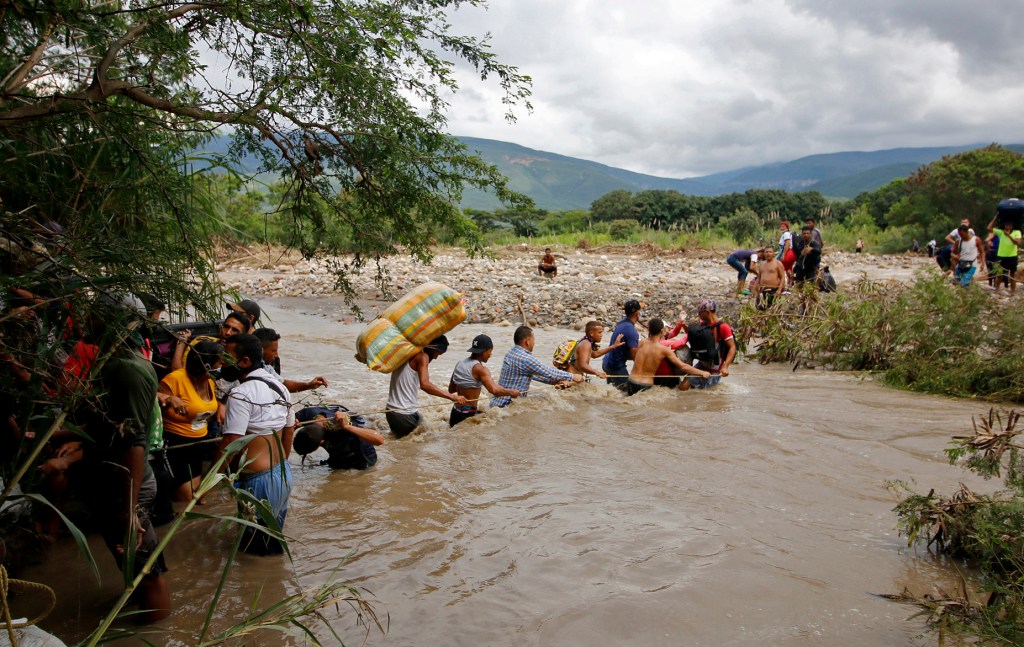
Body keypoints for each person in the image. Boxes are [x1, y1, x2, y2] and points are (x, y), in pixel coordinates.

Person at [217, 333, 294, 555]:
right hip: (282, 475)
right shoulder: (280, 388)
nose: (222, 362)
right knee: (271, 545)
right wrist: (281, 465)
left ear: (245, 362)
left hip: (258, 483)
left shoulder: (240, 394)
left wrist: (209, 483)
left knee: (254, 551)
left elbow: (230, 442)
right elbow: (289, 431)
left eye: (227, 357)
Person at [159, 339, 222, 502]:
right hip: (175, 444)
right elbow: (152, 396)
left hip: (198, 444)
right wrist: (169, 397)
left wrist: (221, 406)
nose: (223, 367)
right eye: (220, 363)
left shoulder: (210, 382)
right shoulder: (175, 379)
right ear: (206, 364)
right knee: (186, 499)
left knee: (197, 497)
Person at [386, 335, 466, 438]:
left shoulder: (407, 353)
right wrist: (452, 397)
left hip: (392, 412)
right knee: (422, 445)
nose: (436, 358)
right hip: (403, 413)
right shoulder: (422, 356)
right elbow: (425, 385)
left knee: (418, 439)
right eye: (438, 353)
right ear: (433, 347)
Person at [491, 326, 583, 407]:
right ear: (527, 341)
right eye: (533, 340)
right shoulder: (526, 358)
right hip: (506, 405)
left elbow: (533, 375)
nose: (534, 343)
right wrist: (573, 376)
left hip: (496, 403)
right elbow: (549, 372)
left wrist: (554, 382)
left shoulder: (510, 353)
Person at [447, 334, 520, 426]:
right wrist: (511, 392)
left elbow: (451, 389)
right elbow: (494, 390)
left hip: (455, 412)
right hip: (467, 414)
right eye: (490, 351)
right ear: (484, 352)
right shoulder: (481, 369)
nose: (490, 355)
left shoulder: (460, 363)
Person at [626, 318, 710, 395]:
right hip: (645, 385)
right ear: (662, 331)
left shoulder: (641, 343)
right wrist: (702, 372)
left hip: (631, 381)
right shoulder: (664, 349)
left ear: (648, 330)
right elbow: (683, 366)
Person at [293, 406, 384, 470]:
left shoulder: (342, 426)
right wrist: (293, 425)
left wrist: (347, 427)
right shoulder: (308, 415)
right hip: (337, 455)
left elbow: (379, 439)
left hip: (362, 460)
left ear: (321, 442)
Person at [679, 299, 737, 391]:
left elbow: (732, 347)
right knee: (683, 387)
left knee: (706, 394)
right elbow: (694, 335)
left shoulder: (723, 327)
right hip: (701, 365)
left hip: (715, 369)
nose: (698, 314)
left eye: (700, 312)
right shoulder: (703, 324)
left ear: (707, 312)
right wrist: (684, 326)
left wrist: (725, 367)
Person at [253, 328, 329, 393]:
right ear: (261, 350)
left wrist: (309, 385)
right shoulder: (251, 371)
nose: (276, 355)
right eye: (273, 351)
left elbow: (283, 384)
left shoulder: (266, 367)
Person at [602, 300, 642, 391]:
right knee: (626, 393)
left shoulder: (622, 322)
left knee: (612, 391)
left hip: (606, 361)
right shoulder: (631, 331)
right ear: (637, 313)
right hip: (616, 367)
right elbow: (634, 356)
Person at [988, 219, 1022, 295]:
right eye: (1006, 224)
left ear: (1012, 226)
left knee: (1012, 274)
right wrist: (995, 218)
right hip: (1001, 256)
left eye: (1009, 224)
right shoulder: (1001, 232)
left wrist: (1009, 235)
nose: (1007, 226)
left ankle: (1013, 291)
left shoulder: (1017, 232)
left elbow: (1018, 243)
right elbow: (989, 228)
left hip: (1012, 256)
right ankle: (997, 290)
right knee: (999, 274)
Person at [778, 221, 796, 287]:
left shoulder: (786, 234)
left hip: (788, 253)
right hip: (792, 254)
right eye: (781, 226)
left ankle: (781, 285)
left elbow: (787, 244)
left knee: (780, 268)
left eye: (783, 226)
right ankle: (790, 283)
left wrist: (783, 254)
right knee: (788, 269)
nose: (782, 228)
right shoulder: (787, 234)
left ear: (787, 227)